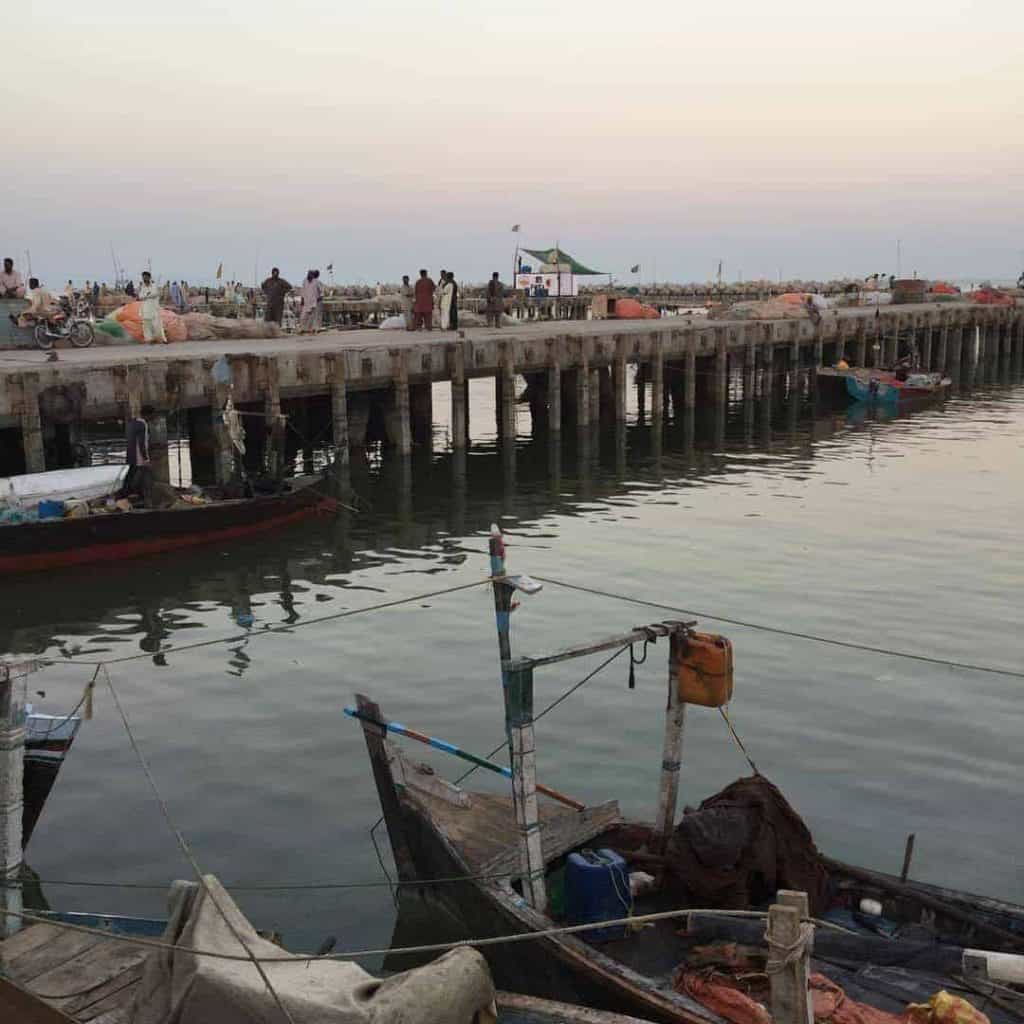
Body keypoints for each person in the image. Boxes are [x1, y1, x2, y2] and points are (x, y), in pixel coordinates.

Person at [117, 405, 155, 505]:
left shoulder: (132, 422)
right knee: (143, 475)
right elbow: (142, 443)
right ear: (148, 415)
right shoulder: (143, 424)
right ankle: (138, 495)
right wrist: (146, 459)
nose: (152, 418)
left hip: (130, 454)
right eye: (152, 416)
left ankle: (125, 494)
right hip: (139, 456)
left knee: (130, 475)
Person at [139, 271, 167, 343]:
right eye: (143, 277)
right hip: (145, 309)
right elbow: (140, 297)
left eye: (146, 277)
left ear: (149, 277)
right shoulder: (142, 287)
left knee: (157, 324)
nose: (144, 278)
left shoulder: (154, 286)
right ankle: (149, 339)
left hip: (154, 308)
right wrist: (147, 295)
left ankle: (163, 339)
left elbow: (155, 294)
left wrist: (146, 296)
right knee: (146, 325)